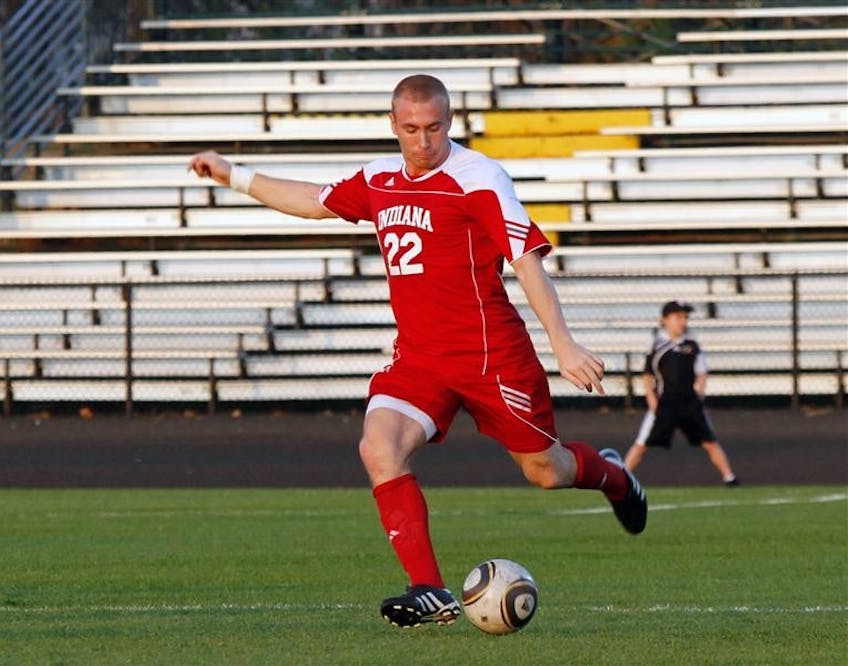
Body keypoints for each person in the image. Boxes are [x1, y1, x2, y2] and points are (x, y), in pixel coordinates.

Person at [188, 74, 646, 629]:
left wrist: (563, 343)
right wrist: (232, 173)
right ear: (393, 125)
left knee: (545, 472)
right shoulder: (380, 179)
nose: (423, 141)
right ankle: (429, 589)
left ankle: (615, 477)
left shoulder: (478, 177)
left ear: (449, 122)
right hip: (420, 359)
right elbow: (314, 202)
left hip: (491, 356)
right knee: (378, 448)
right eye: (411, 129)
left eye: (434, 128)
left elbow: (525, 258)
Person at [624, 300, 739, 486]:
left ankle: (729, 477)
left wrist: (699, 393)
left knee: (709, 441)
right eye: (678, 317)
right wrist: (651, 399)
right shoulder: (658, 345)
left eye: (685, 317)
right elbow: (647, 374)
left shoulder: (692, 345)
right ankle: (622, 476)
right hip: (666, 402)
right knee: (642, 442)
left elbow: (702, 371)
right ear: (664, 320)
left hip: (689, 403)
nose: (682, 322)